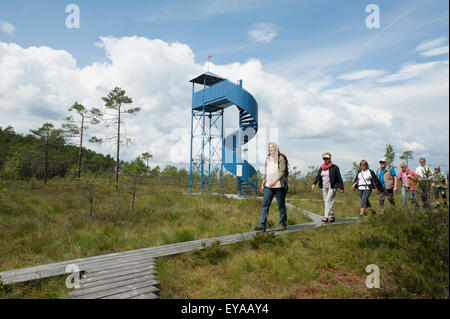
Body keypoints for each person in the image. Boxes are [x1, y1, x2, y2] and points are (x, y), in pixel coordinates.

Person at [254, 142, 288, 232]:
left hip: (279, 186)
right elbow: (266, 172)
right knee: (265, 205)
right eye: (268, 148)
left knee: (281, 205)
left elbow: (282, 172)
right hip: (268, 186)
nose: (269, 149)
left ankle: (282, 224)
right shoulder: (268, 158)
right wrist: (262, 184)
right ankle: (262, 225)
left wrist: (274, 181)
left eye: (271, 148)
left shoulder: (280, 158)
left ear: (276, 148)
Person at [311, 152, 344, 224]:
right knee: (326, 201)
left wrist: (341, 187)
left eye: (327, 158)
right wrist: (314, 183)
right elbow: (318, 176)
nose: (325, 159)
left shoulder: (335, 167)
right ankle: (331, 216)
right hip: (324, 187)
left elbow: (339, 178)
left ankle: (326, 217)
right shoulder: (322, 167)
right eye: (324, 158)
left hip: (332, 187)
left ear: (330, 158)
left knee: (328, 201)